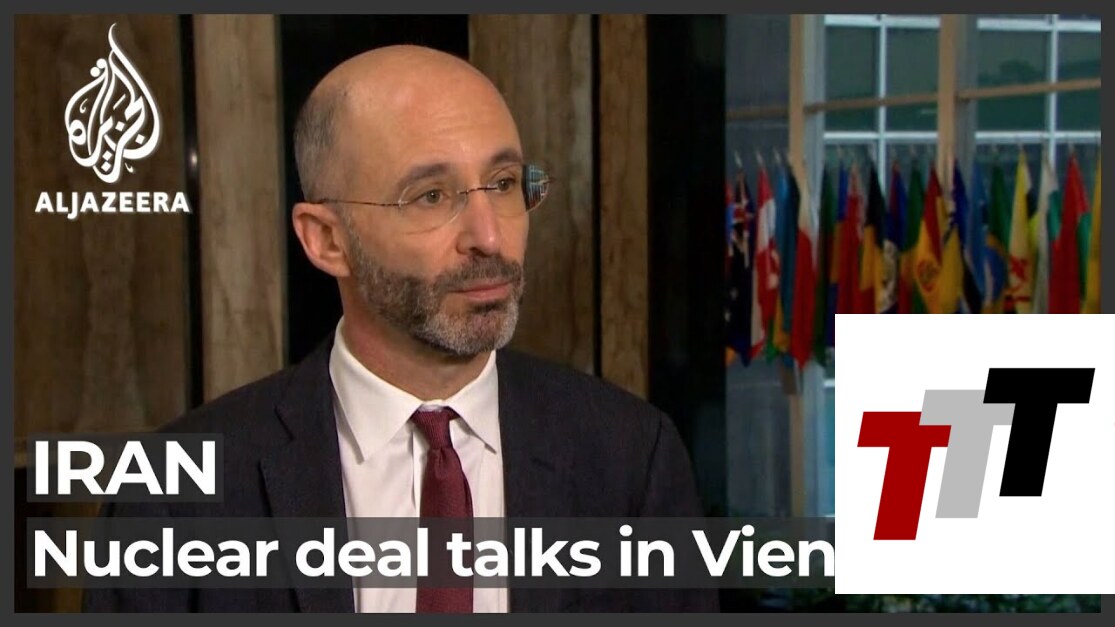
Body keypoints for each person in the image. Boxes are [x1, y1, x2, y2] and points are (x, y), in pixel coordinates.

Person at [82, 44, 716, 613]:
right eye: (431, 196)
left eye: (502, 184)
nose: (489, 237)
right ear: (327, 240)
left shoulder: (632, 456)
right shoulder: (174, 495)